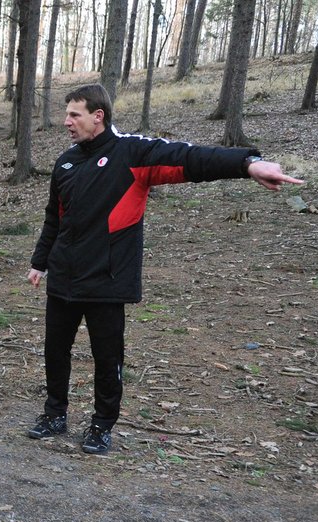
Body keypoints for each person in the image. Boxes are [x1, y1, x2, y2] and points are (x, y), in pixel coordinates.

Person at [26, 84, 302, 454]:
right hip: (63, 279)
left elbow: (190, 159)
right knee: (54, 351)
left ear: (98, 116)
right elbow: (53, 219)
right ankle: (54, 414)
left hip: (107, 282)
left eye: (74, 114)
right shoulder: (66, 162)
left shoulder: (133, 153)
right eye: (66, 114)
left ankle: (101, 425)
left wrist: (247, 163)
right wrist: (40, 263)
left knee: (108, 359)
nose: (66, 122)